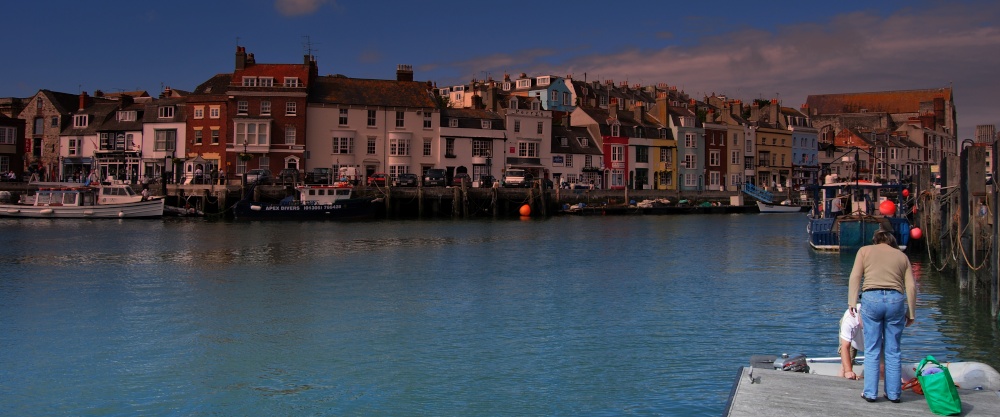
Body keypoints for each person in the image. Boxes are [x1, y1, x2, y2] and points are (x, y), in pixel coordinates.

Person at [848, 229, 916, 403]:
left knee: (872, 349)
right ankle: (893, 394)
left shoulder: (864, 251)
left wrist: (852, 302)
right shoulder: (902, 256)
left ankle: (870, 393)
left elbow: (855, 276)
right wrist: (911, 312)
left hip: (871, 298)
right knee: (893, 350)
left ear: (875, 240)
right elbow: (911, 286)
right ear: (892, 241)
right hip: (895, 300)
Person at [839, 304, 864, 380]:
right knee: (845, 367)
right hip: (851, 337)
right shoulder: (850, 320)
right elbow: (845, 347)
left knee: (881, 368)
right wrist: (848, 371)